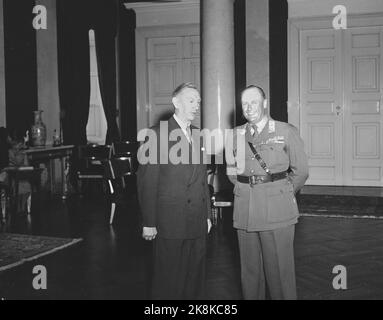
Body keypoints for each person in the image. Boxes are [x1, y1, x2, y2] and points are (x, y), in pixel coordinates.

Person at [225, 85, 309, 300]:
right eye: (244, 103)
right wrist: (245, 189)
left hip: (277, 210)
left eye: (253, 101)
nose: (249, 107)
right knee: (250, 272)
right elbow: (231, 172)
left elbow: (301, 172)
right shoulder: (235, 135)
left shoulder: (285, 131)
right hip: (245, 210)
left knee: (279, 272)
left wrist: (282, 192)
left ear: (264, 103)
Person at [137, 82, 212, 300]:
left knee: (195, 280)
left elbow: (201, 181)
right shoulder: (156, 134)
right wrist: (149, 222)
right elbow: (147, 183)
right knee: (168, 282)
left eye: (198, 101)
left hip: (197, 220)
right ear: (176, 102)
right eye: (191, 100)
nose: (196, 105)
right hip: (170, 221)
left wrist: (207, 215)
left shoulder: (198, 135)